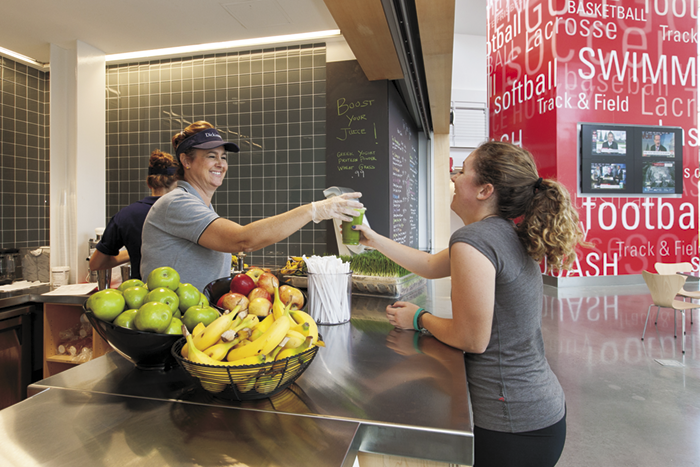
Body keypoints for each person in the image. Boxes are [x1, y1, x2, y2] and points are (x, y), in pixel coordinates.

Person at [354, 141, 588, 467]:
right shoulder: (500, 233)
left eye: (463, 170)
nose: (453, 175)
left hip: (511, 424)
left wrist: (419, 318)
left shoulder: (473, 240)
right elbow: (428, 265)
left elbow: (471, 338)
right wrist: (373, 239)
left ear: (484, 190)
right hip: (539, 412)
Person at [140, 121, 362, 291]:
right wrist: (314, 210)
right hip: (172, 328)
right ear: (186, 161)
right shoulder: (177, 203)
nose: (221, 164)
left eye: (223, 157)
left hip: (198, 320)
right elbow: (243, 240)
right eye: (211, 156)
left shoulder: (203, 208)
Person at [89, 149, 178, 280]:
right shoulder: (187, 213)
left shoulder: (126, 216)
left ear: (148, 183)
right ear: (178, 183)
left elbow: (96, 263)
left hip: (140, 295)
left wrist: (135, 252)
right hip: (181, 294)